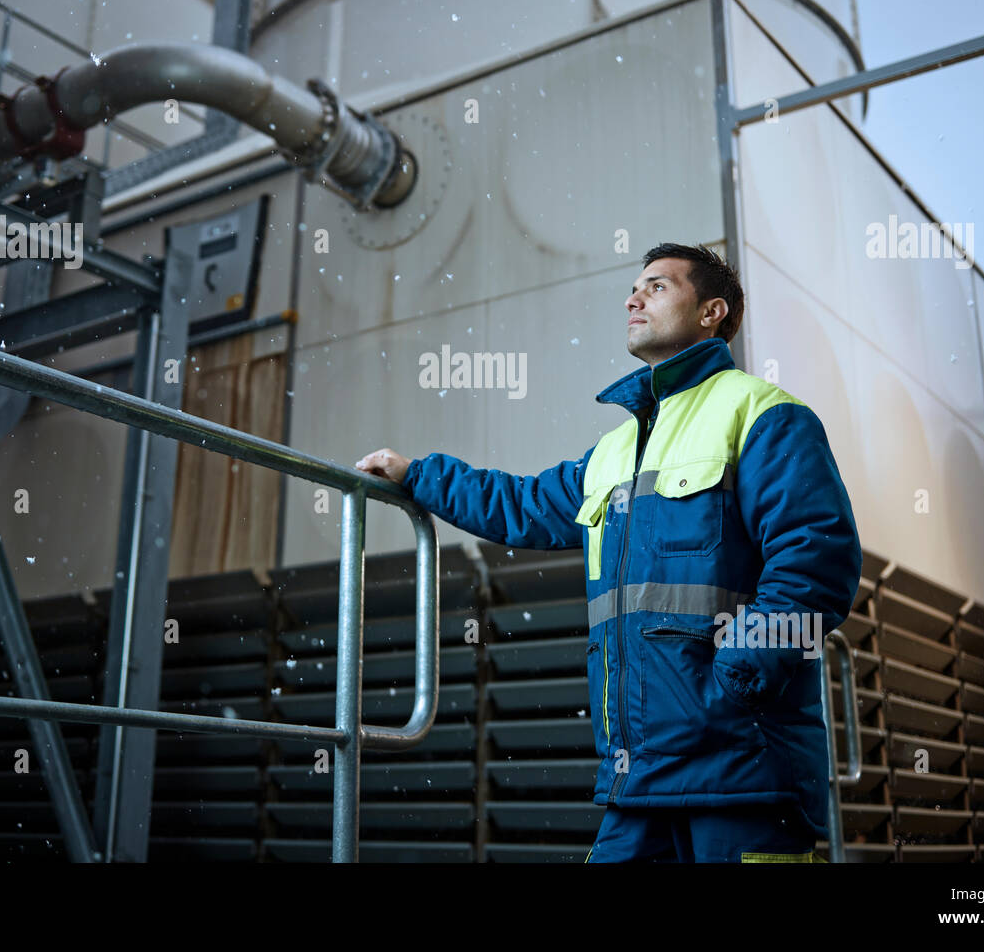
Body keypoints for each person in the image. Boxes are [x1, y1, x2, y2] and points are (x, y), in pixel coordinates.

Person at [355, 243, 861, 863]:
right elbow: (520, 505)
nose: (633, 298)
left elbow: (816, 561)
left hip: (742, 770)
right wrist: (419, 476)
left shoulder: (763, 414)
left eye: (656, 286)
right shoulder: (615, 451)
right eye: (633, 288)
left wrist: (739, 677)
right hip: (638, 774)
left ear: (712, 311)